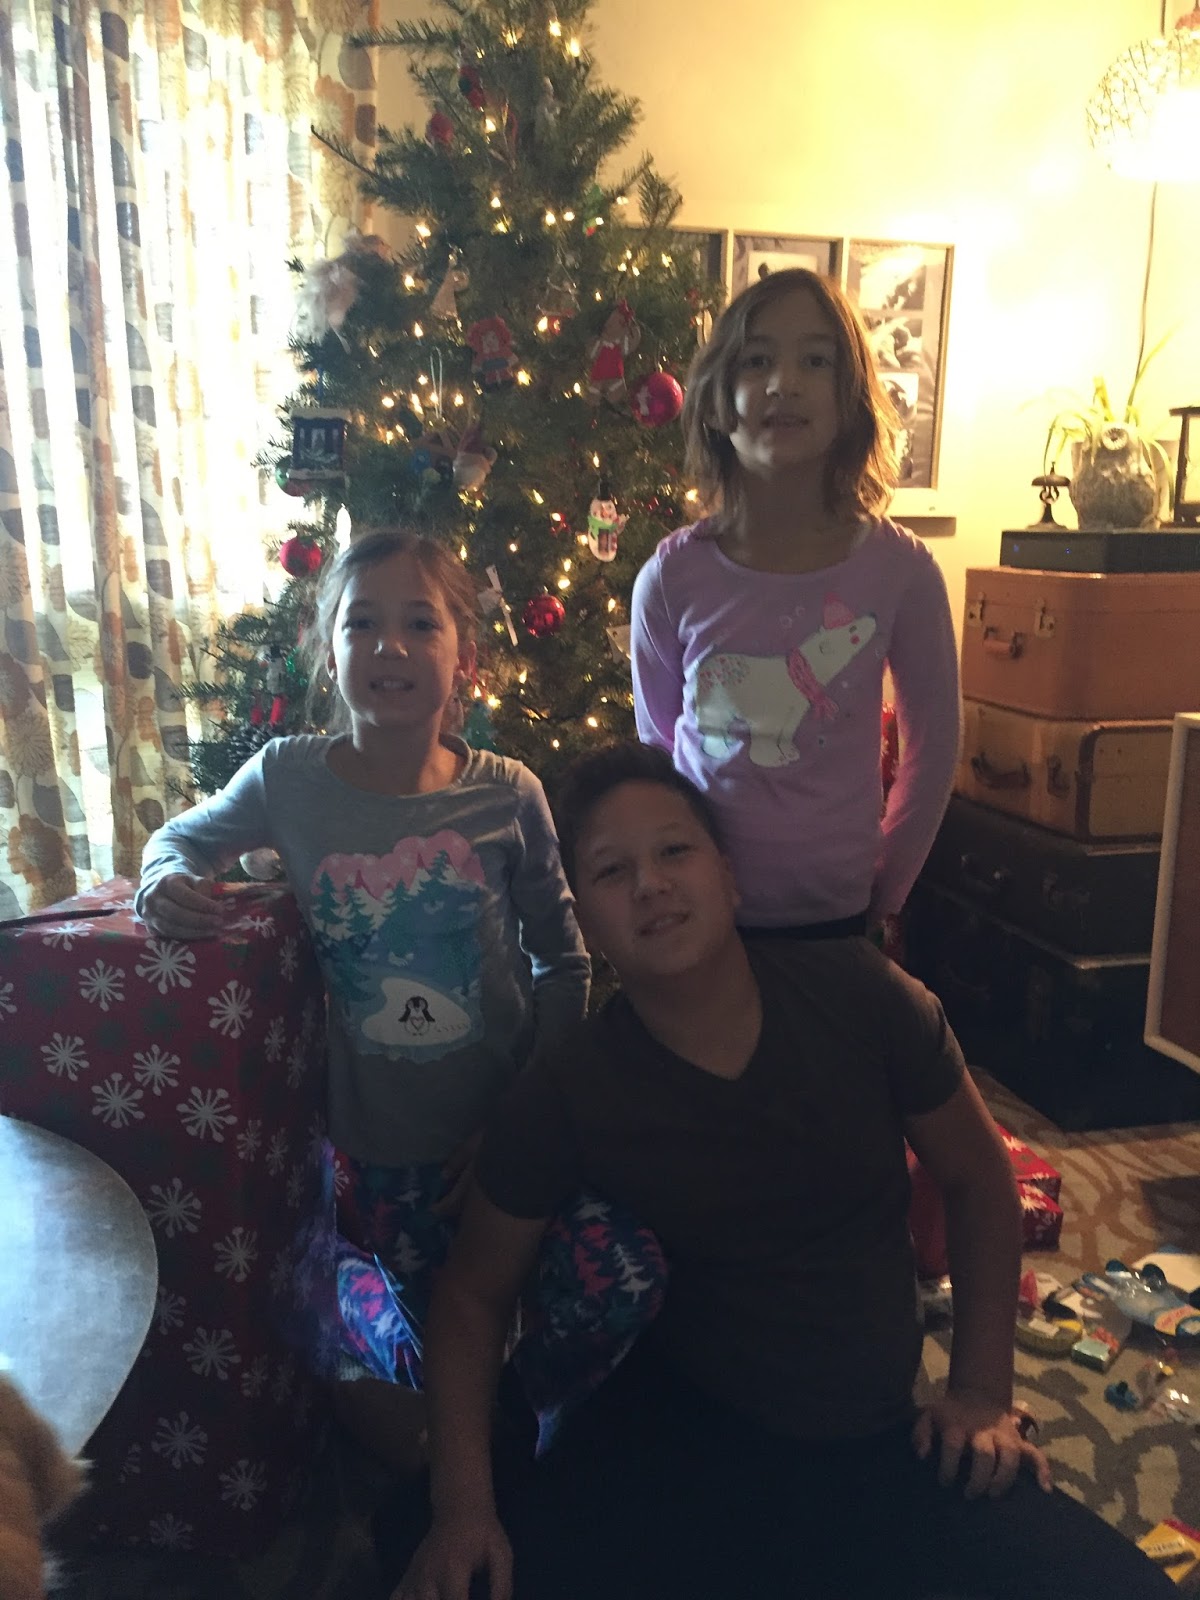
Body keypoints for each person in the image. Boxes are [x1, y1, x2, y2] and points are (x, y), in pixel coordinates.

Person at [390, 743, 1174, 1600]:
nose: (650, 884)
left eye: (675, 850)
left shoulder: (861, 995)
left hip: (883, 1436)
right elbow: (473, 1296)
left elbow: (981, 1180)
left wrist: (982, 1390)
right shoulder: (569, 1083)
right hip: (698, 1437)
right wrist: (462, 1509)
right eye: (612, 870)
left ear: (730, 877)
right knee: (435, 1559)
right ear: (586, 920)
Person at [135, 530, 657, 1465]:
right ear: (325, 647)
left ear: (466, 657)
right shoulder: (287, 778)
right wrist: (161, 878)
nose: (390, 646)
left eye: (421, 623)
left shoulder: (508, 796)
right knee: (429, 1368)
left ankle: (509, 1422)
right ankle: (356, 1299)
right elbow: (179, 839)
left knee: (622, 1279)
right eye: (362, 623)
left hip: (509, 1142)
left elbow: (564, 961)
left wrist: (524, 1117)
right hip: (383, 1160)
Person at [631, 266, 960, 937]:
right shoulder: (669, 578)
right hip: (705, 921)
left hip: (837, 916)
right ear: (717, 403)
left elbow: (933, 748)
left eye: (816, 360)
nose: (784, 382)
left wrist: (887, 885)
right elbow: (658, 745)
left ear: (850, 399)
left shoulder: (902, 572)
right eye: (757, 361)